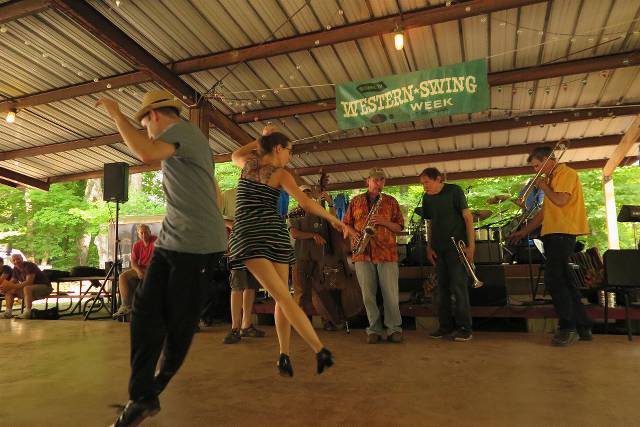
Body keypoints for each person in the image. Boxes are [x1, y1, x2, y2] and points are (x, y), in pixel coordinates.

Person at [96, 90, 227, 426]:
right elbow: (212, 187)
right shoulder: (185, 143)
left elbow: (143, 150)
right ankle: (142, 398)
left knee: (179, 325)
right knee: (143, 311)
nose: (148, 132)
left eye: (146, 125)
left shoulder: (181, 132)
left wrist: (115, 114)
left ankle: (153, 389)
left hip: (197, 246)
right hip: (172, 241)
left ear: (153, 117)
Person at [228, 125, 343, 377]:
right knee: (285, 297)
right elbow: (307, 203)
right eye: (289, 151)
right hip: (269, 237)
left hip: (253, 237)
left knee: (283, 297)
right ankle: (318, 350)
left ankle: (284, 355)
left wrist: (260, 138)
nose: (290, 156)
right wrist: (335, 220)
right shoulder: (280, 174)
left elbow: (234, 154)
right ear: (278, 149)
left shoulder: (247, 165)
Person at [508, 146, 592, 347]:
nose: (535, 170)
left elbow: (561, 201)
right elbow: (545, 212)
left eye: (537, 166)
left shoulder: (565, 173)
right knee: (565, 281)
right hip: (554, 233)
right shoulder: (553, 178)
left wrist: (543, 186)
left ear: (547, 159)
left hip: (563, 233)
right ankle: (583, 327)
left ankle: (567, 327)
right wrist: (523, 231)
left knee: (555, 281)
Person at [342, 168, 405, 344]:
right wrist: (354, 233)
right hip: (362, 254)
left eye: (382, 180)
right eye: (376, 180)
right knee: (368, 295)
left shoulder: (391, 201)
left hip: (386, 254)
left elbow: (399, 227)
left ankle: (394, 329)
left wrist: (384, 222)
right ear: (367, 181)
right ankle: (374, 329)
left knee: (390, 294)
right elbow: (345, 224)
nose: (379, 183)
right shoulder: (355, 201)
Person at [420, 167, 475, 342]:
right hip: (438, 249)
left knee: (459, 287)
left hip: (456, 249)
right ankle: (445, 327)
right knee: (441, 289)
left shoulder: (455, 191)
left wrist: (471, 246)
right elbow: (429, 223)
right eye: (422, 184)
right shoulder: (426, 198)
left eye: (426, 182)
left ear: (438, 179)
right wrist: (429, 247)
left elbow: (468, 217)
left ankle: (465, 328)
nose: (424, 187)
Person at [289, 185, 339, 331]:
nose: (306, 195)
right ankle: (301, 324)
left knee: (323, 290)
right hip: (300, 256)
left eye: (308, 193)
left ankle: (327, 320)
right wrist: (313, 235)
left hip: (319, 258)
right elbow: (294, 233)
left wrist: (330, 203)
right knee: (301, 292)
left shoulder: (318, 210)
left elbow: (334, 220)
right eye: (303, 193)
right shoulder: (294, 212)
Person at [220, 187, 266, 344]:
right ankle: (235, 327)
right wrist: (232, 224)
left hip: (254, 246)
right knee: (237, 285)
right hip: (237, 246)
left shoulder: (259, 196)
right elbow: (214, 216)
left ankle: (246, 325)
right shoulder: (228, 195)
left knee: (251, 285)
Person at [113, 224, 157, 319]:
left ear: (150, 232)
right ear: (138, 234)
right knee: (122, 276)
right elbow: (133, 262)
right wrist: (138, 271)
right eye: (141, 233)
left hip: (154, 269)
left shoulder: (156, 241)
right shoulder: (137, 245)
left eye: (146, 232)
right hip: (141, 268)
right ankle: (126, 305)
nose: (144, 234)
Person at [0, 254, 52, 319]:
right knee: (9, 291)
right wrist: (5, 288)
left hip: (45, 287)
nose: (16, 261)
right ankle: (8, 312)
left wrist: (14, 286)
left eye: (18, 259)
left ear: (22, 258)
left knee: (27, 288)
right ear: (12, 262)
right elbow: (12, 281)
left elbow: (29, 282)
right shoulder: (15, 269)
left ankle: (27, 312)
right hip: (29, 290)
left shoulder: (29, 265)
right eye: (14, 260)